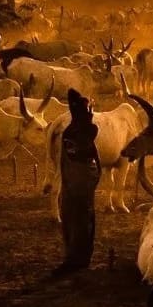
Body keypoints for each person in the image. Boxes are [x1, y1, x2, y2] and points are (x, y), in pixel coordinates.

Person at [55, 88, 101, 273]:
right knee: (77, 221)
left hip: (78, 185)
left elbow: (82, 153)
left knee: (77, 221)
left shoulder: (79, 131)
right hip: (77, 184)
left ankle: (76, 259)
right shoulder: (81, 129)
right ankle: (78, 258)